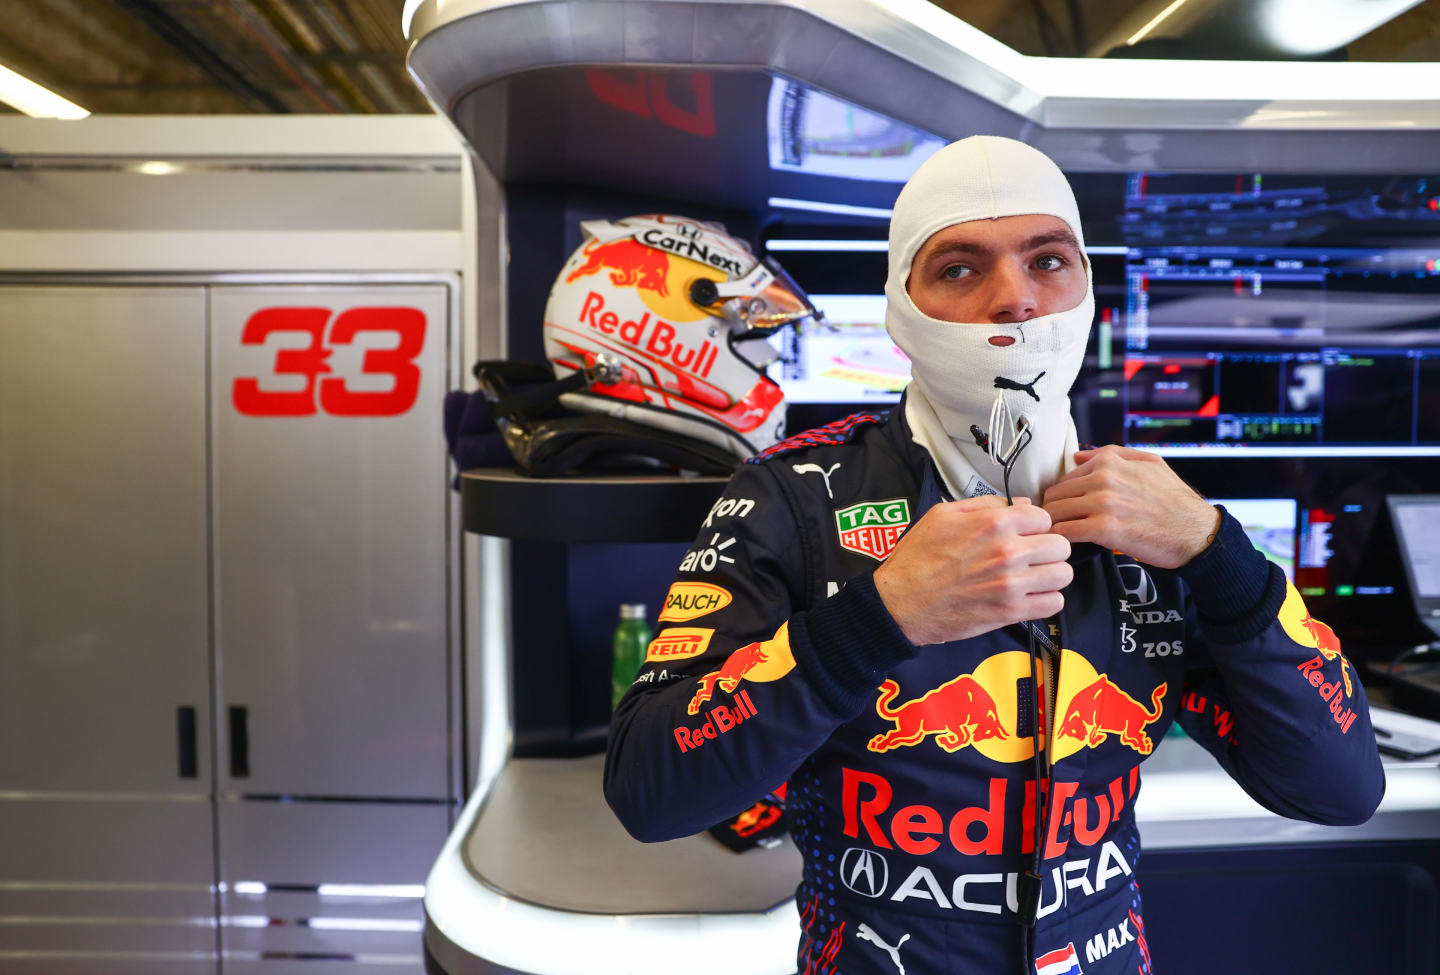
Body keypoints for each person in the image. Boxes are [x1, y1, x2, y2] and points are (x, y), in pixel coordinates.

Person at [604, 136, 1385, 975]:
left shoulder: (1156, 517)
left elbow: (1338, 789)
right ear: (900, 310)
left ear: (1086, 285)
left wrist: (1215, 551)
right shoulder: (788, 498)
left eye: (1049, 259)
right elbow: (650, 791)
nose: (1016, 298)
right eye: (960, 268)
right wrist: (877, 618)